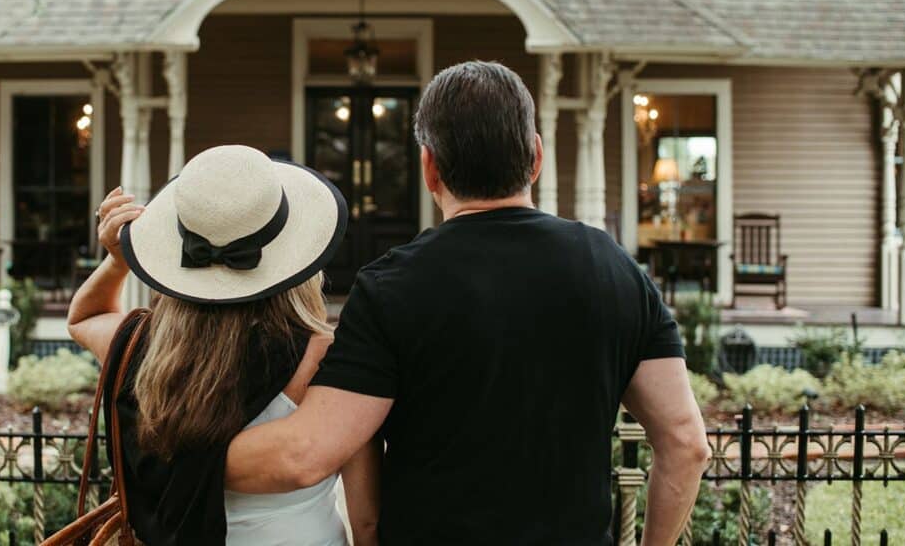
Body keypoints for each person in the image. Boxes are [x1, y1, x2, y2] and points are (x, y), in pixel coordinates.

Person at [225, 61, 711, 545]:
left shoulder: (389, 288)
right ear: (536, 157)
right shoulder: (615, 270)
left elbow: (307, 456)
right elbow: (687, 444)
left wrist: (166, 457)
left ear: (429, 167)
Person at [67, 145, 380, 545]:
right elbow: (367, 519)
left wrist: (117, 260)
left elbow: (84, 318)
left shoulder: (142, 349)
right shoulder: (327, 358)